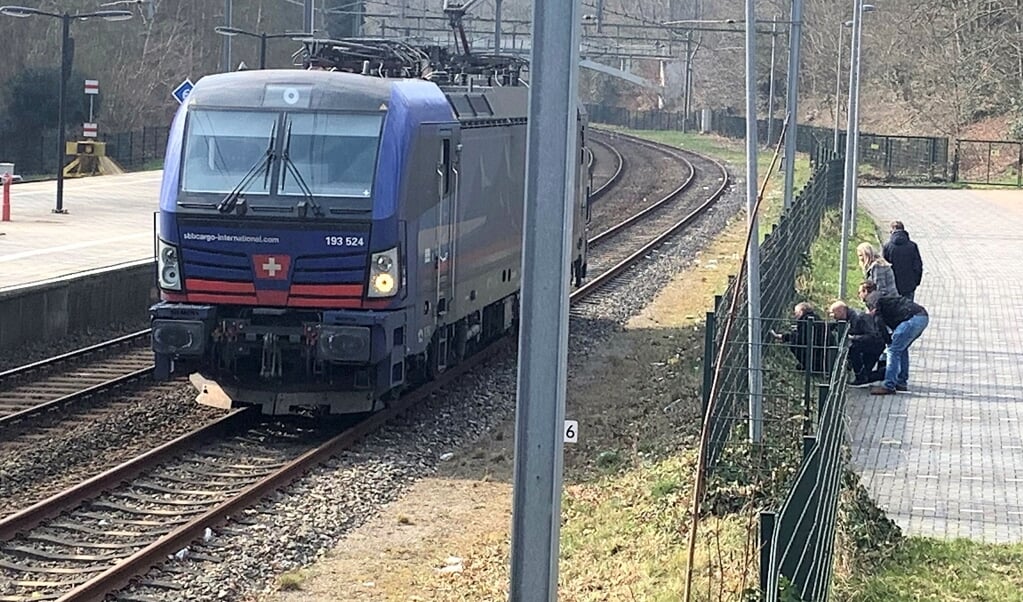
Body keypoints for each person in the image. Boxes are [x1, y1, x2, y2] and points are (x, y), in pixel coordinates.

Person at [858, 280, 929, 395]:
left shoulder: (871, 298)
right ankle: (901, 382)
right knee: (901, 348)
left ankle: (889, 385)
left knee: (893, 350)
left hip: (912, 319)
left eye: (859, 292)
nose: (859, 296)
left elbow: (878, 320)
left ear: (866, 291)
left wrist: (886, 339)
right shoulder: (881, 295)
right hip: (921, 316)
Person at [828, 300, 887, 387]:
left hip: (874, 346)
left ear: (841, 311)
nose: (832, 316)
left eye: (833, 313)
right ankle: (883, 373)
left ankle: (886, 372)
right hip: (868, 345)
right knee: (866, 375)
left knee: (853, 349)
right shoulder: (847, 317)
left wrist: (853, 338)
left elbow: (872, 336)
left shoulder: (860, 318)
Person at [770, 302, 835, 374]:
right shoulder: (815, 318)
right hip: (826, 354)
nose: (794, 315)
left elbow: (801, 339)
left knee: (794, 345)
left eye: (796, 312)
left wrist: (785, 337)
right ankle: (811, 366)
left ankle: (811, 367)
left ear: (801, 312)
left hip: (819, 355)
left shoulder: (805, 321)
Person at [882, 220, 924, 301]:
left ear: (892, 231)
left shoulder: (887, 247)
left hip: (893, 285)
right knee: (908, 309)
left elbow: (884, 265)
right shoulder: (912, 246)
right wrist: (916, 282)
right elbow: (918, 266)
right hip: (909, 285)